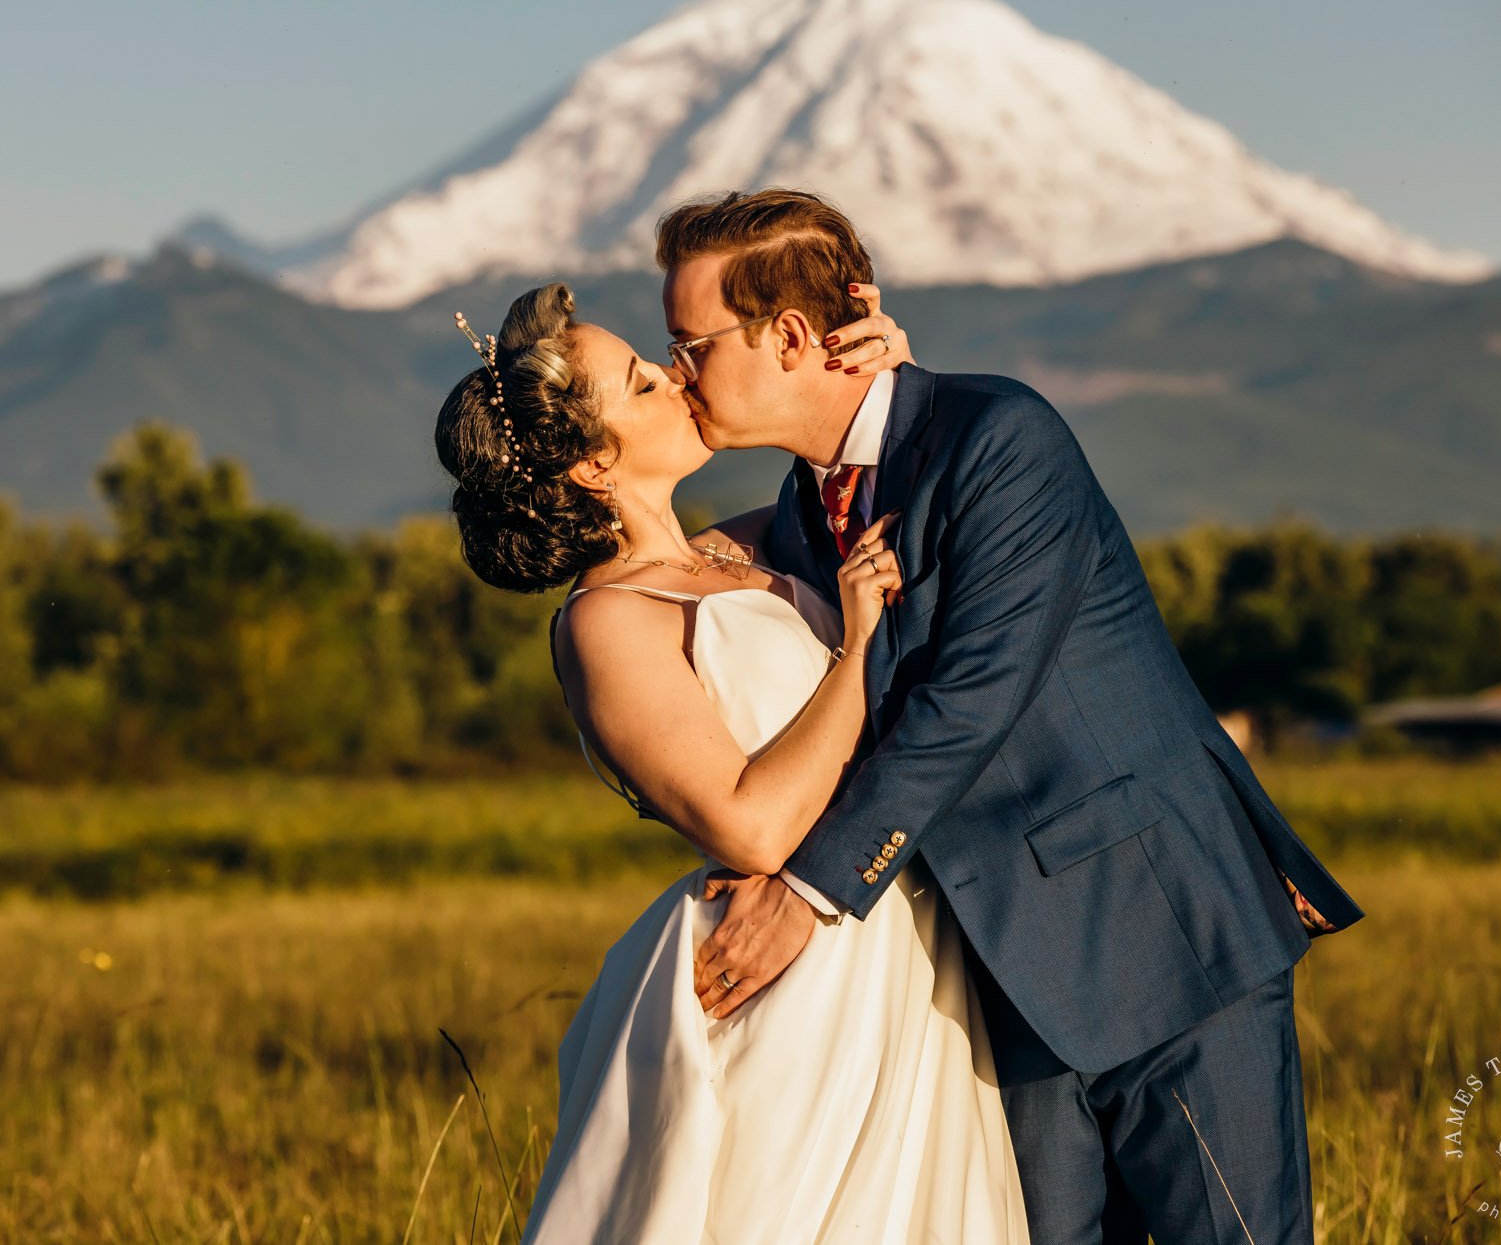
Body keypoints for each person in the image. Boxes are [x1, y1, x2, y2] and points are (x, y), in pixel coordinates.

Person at [658, 189, 1361, 1244]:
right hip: (988, 988)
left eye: (690, 344)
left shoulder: (1000, 436)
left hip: (1158, 936)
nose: (679, 374)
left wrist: (806, 892)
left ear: (793, 337)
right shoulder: (802, 514)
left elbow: (968, 695)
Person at [435, 282, 1029, 1243]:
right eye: (639, 383)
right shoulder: (606, 621)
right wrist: (856, 647)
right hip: (794, 978)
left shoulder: (749, 546)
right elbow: (747, 822)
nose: (674, 376)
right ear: (595, 463)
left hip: (908, 938)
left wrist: (881, 375)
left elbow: (896, 483)